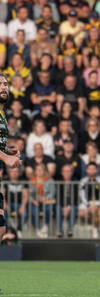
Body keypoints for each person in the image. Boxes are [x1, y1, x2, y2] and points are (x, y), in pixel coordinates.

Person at [0, 73, 23, 246]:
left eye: (6, 84)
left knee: (1, 229)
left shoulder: (2, 114)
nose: (3, 87)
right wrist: (6, 158)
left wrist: (7, 151)